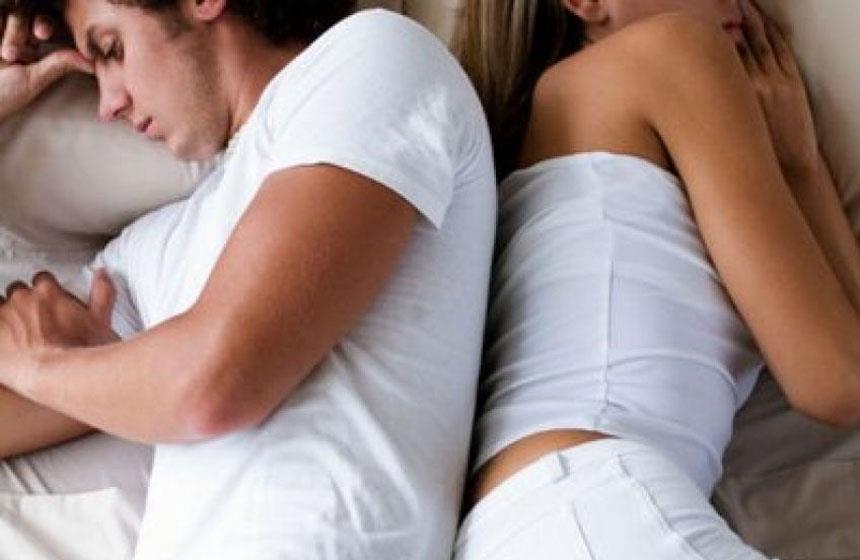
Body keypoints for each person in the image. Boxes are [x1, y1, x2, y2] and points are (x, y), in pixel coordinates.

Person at [0, 1, 497, 558]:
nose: (108, 103)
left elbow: (215, 386)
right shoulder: (152, 247)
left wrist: (39, 366)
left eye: (112, 49)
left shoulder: (373, 61)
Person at [453, 0, 860, 558]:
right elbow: (838, 382)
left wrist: (800, 167)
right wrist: (801, 168)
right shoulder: (674, 49)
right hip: (604, 505)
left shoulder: (528, 136)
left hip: (520, 526)